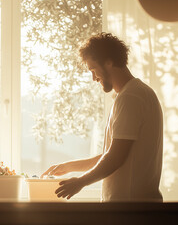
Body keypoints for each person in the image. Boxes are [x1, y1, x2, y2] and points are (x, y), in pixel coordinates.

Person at [42, 33, 163, 202]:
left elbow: (116, 157)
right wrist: (69, 167)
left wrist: (81, 182)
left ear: (109, 62)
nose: (93, 78)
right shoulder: (134, 94)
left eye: (93, 69)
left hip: (130, 209)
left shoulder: (131, 98)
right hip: (133, 207)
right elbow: (111, 154)